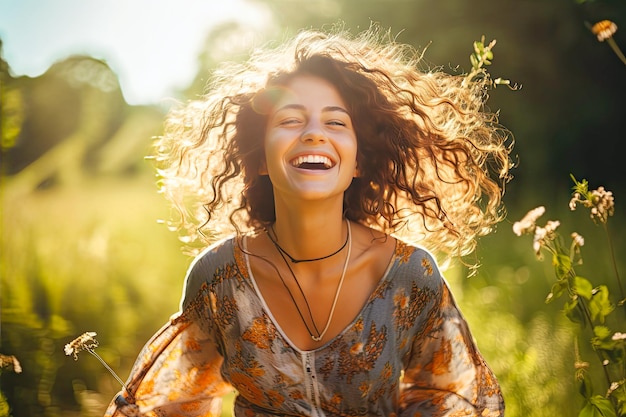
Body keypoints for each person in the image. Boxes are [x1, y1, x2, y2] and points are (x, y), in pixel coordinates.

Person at [105, 24, 512, 417]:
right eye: (290, 120)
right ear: (261, 158)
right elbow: (167, 407)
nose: (315, 133)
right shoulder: (218, 278)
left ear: (358, 162)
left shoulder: (410, 275)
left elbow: (451, 400)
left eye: (336, 122)